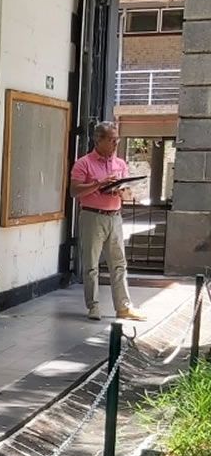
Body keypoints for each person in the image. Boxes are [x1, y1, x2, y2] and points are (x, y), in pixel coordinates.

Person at [69, 121, 147, 322]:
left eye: (117, 139)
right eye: (112, 140)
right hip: (92, 216)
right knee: (91, 264)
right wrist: (98, 184)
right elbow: (74, 191)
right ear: (98, 140)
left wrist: (122, 190)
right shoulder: (83, 163)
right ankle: (93, 306)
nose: (115, 143)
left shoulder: (120, 164)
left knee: (119, 263)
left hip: (115, 216)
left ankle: (123, 307)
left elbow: (127, 193)